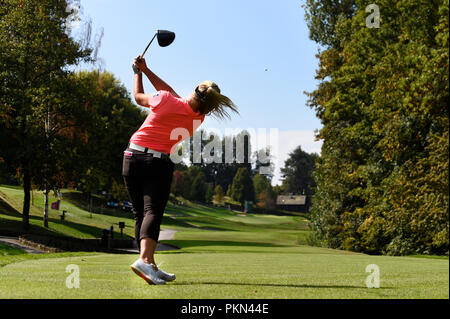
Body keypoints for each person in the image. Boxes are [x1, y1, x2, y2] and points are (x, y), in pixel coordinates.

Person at [124, 56, 238, 285]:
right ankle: (146, 262)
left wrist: (137, 73)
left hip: (131, 157)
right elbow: (173, 95)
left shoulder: (164, 99)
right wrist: (147, 70)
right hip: (156, 162)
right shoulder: (198, 117)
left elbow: (139, 97)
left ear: (196, 88)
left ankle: (149, 264)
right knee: (151, 211)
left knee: (141, 213)